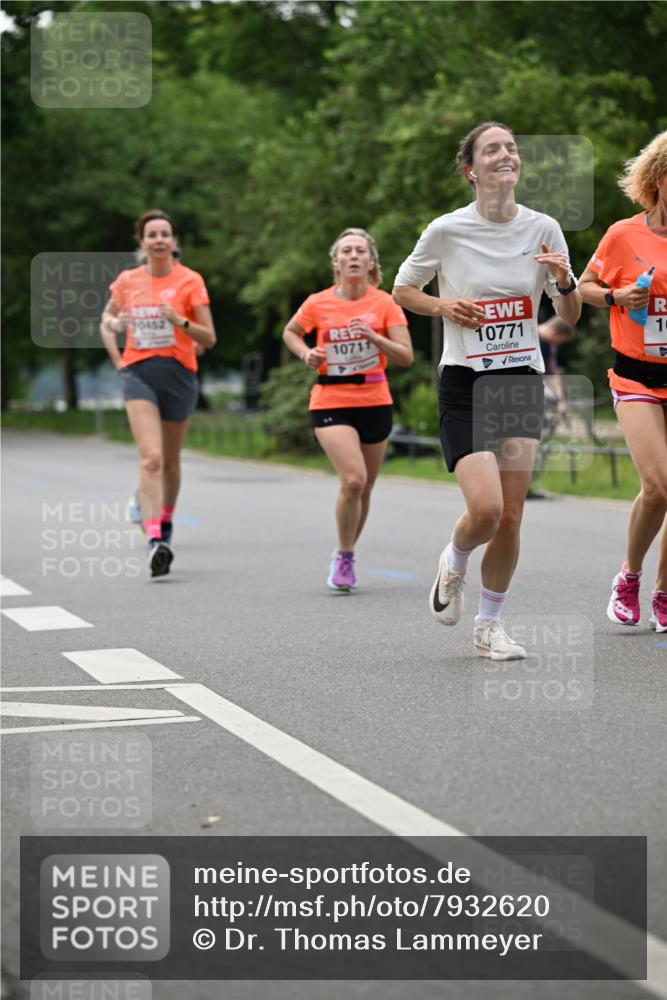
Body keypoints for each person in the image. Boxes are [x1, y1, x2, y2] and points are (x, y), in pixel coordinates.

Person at [393, 122, 581, 659]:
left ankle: (489, 626)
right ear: (472, 168)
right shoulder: (446, 230)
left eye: (512, 148)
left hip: (521, 380)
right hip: (466, 381)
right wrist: (443, 306)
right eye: (492, 149)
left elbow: (567, 317)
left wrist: (564, 281)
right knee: (486, 510)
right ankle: (453, 560)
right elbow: (403, 289)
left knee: (513, 515)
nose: (506, 154)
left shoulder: (544, 228)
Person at [282, 227, 413, 591]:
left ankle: (349, 551)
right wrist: (306, 352)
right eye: (346, 251)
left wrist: (375, 337)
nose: (353, 256)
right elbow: (290, 332)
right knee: (353, 479)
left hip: (375, 401)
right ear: (336, 262)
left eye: (360, 251)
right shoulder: (317, 302)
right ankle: (342, 556)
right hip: (330, 399)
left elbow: (405, 356)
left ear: (371, 262)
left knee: (365, 487)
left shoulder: (384, 303)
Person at [578, 131, 667, 632]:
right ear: (657, 180)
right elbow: (585, 286)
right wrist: (616, 298)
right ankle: (628, 576)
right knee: (658, 486)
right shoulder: (623, 235)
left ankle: (663, 593)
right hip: (635, 376)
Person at [101, 210, 216, 577]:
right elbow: (106, 319)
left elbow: (208, 338)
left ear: (174, 240)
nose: (159, 240)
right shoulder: (128, 281)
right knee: (150, 458)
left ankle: (164, 519)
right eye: (152, 235)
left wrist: (178, 320)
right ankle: (156, 540)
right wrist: (116, 335)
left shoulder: (190, 281)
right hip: (139, 373)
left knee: (170, 461)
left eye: (165, 234)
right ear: (142, 242)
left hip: (180, 374)